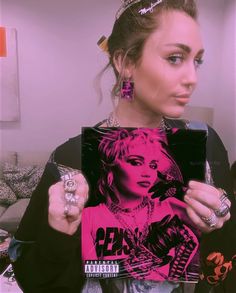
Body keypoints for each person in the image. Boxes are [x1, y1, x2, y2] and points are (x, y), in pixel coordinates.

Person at [8, 0, 236, 292]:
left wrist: (219, 223)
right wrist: (59, 235)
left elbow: (221, 266)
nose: (192, 78)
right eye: (175, 57)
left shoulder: (205, 144)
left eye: (197, 61)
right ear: (125, 63)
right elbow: (33, 278)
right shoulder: (71, 158)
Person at [82, 128, 199, 285]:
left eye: (152, 165)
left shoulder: (169, 206)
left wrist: (183, 191)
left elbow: (212, 226)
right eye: (136, 162)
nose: (148, 173)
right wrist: (138, 262)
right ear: (111, 166)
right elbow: (90, 270)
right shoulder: (89, 216)